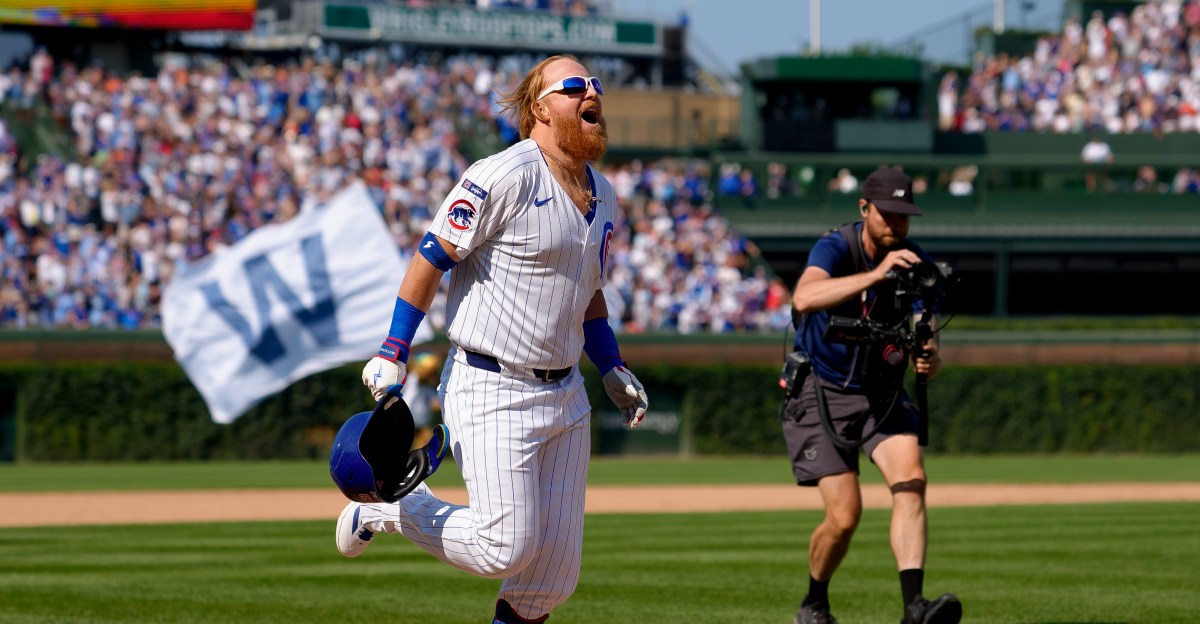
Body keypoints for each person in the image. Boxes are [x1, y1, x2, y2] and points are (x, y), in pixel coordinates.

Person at [336, 53, 649, 624]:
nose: (591, 93)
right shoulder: (505, 174)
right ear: (539, 108)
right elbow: (431, 256)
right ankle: (393, 508)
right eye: (573, 86)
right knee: (502, 546)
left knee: (551, 578)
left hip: (566, 395)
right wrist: (394, 348)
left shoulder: (604, 193)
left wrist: (611, 365)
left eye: (595, 84)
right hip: (491, 383)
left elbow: (589, 293)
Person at [784, 167, 962, 624]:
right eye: (888, 214)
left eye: (904, 215)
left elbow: (926, 330)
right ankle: (814, 603)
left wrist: (931, 357)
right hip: (820, 388)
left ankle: (914, 608)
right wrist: (877, 274)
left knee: (912, 480)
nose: (896, 224)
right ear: (864, 209)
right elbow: (804, 297)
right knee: (845, 516)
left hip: (881, 390)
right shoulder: (836, 246)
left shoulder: (915, 261)